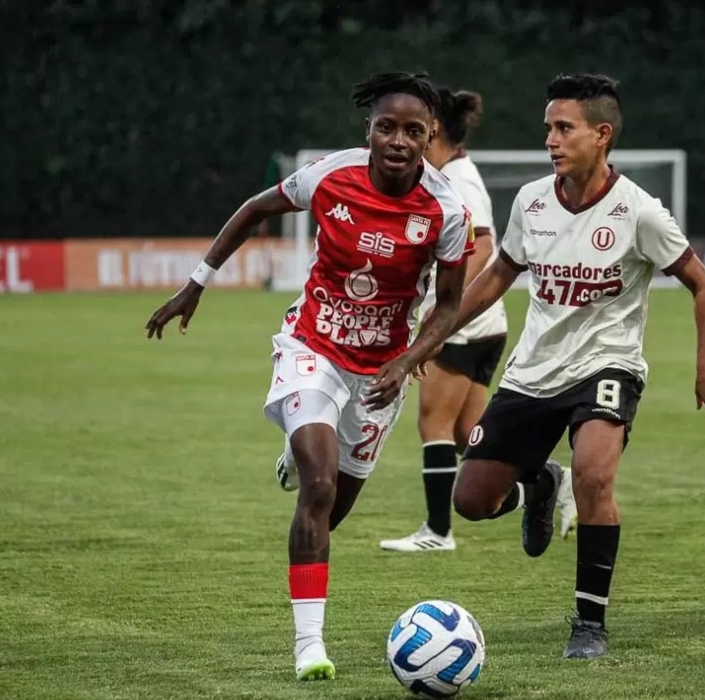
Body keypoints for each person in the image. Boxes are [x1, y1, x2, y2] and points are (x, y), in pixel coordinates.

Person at [144, 72, 474, 682]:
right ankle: (309, 647)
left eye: (413, 131)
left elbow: (451, 304)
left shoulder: (448, 210)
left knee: (332, 509)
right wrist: (197, 282)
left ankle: (300, 454)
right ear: (367, 130)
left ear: (430, 138)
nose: (397, 140)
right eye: (386, 127)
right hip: (311, 347)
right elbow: (253, 210)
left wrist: (405, 361)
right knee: (318, 487)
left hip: (381, 373)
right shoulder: (330, 175)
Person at [445, 74, 705, 659]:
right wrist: (437, 332)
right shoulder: (531, 200)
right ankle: (538, 479)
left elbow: (702, 285)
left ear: (601, 135)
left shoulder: (639, 212)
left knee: (596, 476)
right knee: (471, 502)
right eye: (548, 128)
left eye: (563, 128)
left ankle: (589, 623)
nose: (550, 140)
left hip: (609, 364)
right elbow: (500, 274)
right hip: (533, 371)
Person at [379, 87, 510, 553]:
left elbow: (486, 247)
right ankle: (549, 481)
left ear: (435, 135)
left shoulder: (456, 179)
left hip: (465, 326)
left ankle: (437, 532)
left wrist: (444, 314)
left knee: (432, 424)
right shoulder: (460, 173)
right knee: (468, 437)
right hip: (487, 324)